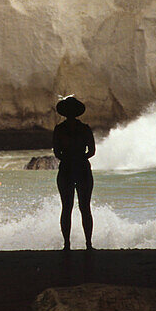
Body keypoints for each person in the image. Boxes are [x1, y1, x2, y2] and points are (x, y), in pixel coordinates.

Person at [53, 96, 95, 250]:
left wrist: (69, 158)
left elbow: (57, 152)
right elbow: (91, 151)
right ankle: (88, 244)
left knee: (66, 208)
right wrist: (80, 158)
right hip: (83, 169)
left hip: (66, 169)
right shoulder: (85, 128)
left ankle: (67, 245)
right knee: (85, 208)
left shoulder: (59, 129)